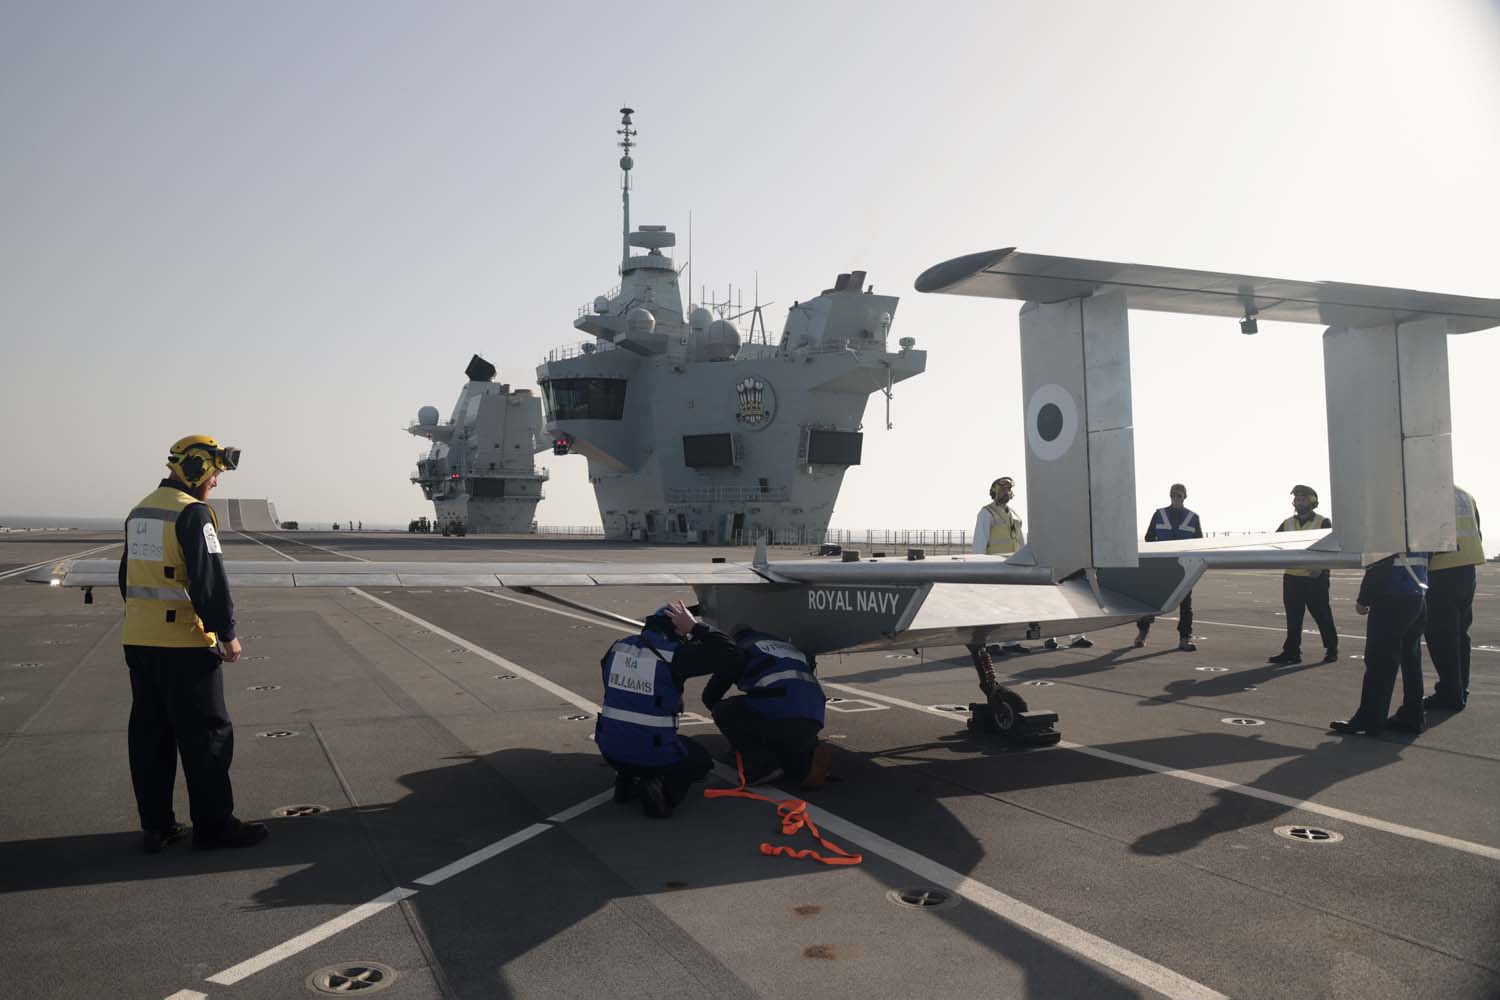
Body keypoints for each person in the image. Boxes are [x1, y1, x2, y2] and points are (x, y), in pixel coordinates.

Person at [118, 435, 267, 852]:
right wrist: (227, 634)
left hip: (139, 642)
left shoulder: (141, 510)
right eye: (215, 473)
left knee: (151, 737)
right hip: (184, 644)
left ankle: (157, 827)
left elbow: (126, 577)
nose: (216, 483)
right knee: (207, 736)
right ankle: (214, 826)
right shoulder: (193, 514)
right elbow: (209, 580)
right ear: (198, 468)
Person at [595, 601, 721, 818]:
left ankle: (625, 780)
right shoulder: (674, 655)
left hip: (609, 750)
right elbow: (728, 653)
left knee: (632, 736)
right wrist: (694, 627)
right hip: (652, 754)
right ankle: (661, 790)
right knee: (700, 761)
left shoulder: (618, 648)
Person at [972, 477, 1091, 652]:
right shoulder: (986, 513)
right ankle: (991, 644)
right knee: (994, 606)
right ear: (994, 491)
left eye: (1009, 489)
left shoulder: (1013, 515)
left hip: (1013, 566)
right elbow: (979, 543)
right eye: (1003, 489)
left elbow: (1020, 542)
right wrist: (979, 568)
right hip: (994, 566)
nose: (1007, 492)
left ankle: (1011, 643)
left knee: (1012, 606)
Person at [702, 630, 833, 788]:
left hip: (781, 713)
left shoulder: (739, 649)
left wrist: (712, 703)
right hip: (814, 714)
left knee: (725, 710)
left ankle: (762, 766)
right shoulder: (784, 646)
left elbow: (715, 690)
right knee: (789, 742)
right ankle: (805, 758)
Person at [1330, 551, 1430, 736]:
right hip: (1417, 594)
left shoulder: (1388, 524)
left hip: (1392, 598)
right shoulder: (1419, 524)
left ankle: (1370, 719)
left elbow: (1379, 561)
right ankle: (1413, 716)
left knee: (1380, 661)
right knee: (1411, 660)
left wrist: (1364, 598)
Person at [1423, 487, 1484, 710]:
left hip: (1442, 570)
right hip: (1467, 568)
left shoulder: (1429, 492)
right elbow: (1478, 530)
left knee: (1440, 635)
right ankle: (1460, 688)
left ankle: (1449, 693)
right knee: (1459, 634)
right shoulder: (1465, 494)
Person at [1268, 485, 1338, 665]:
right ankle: (1292, 652)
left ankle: (1331, 649)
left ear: (1312, 501)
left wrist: (1321, 568)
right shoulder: (1287, 523)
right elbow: (1273, 543)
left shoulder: (1323, 522)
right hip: (1292, 577)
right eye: (1297, 499)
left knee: (1322, 615)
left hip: (1315, 577)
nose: (1299, 502)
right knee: (1293, 617)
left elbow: (1333, 548)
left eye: (1303, 499)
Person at [1134, 484, 1203, 651]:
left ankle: (1184, 639)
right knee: (1148, 602)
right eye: (1173, 495)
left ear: (1185, 497)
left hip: (1184, 569)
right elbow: (1149, 538)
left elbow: (1200, 542)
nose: (1175, 498)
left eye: (1179, 495)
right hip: (1161, 566)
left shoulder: (1193, 517)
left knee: (1186, 606)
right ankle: (1142, 633)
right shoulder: (1159, 514)